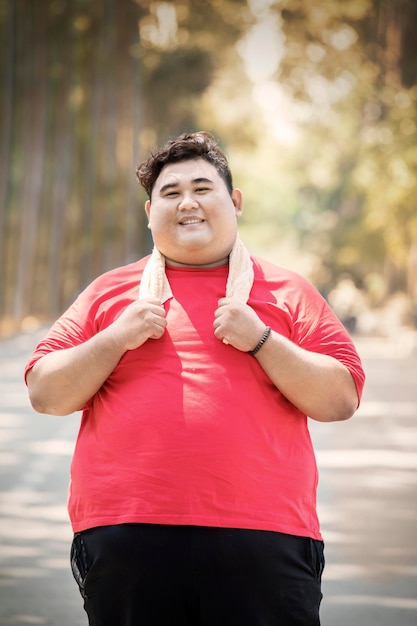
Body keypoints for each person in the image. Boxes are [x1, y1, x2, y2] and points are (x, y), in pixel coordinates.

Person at [25, 131, 365, 626]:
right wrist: (116, 337)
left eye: (203, 188)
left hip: (265, 536)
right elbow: (44, 392)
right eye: (171, 193)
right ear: (149, 212)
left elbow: (341, 398)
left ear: (235, 201)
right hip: (128, 536)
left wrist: (262, 338)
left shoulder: (288, 291)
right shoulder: (110, 293)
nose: (188, 203)